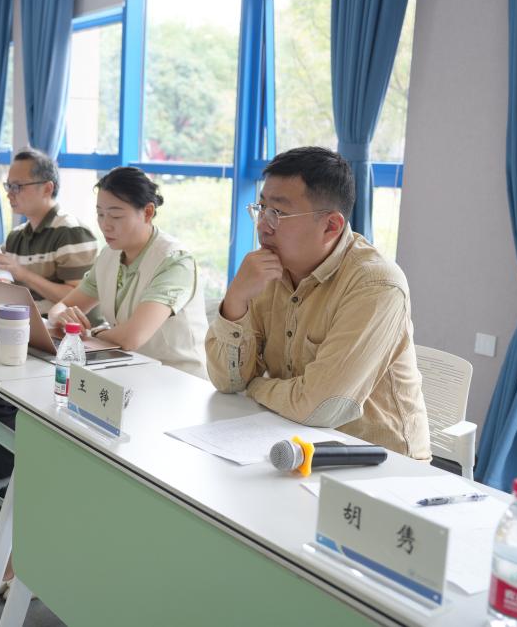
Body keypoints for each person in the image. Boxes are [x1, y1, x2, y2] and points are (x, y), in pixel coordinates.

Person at [205, 146, 430, 460]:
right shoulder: (266, 270)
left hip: (379, 463)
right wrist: (235, 300)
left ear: (331, 226)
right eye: (261, 208)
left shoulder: (376, 285)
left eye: (278, 213)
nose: (262, 225)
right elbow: (227, 382)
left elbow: (320, 407)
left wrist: (254, 386)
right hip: (291, 442)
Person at [48, 167, 209, 379]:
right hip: (130, 371)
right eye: (100, 214)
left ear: (148, 212)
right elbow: (61, 307)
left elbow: (132, 337)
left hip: (178, 379)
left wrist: (92, 333)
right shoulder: (109, 255)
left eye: (116, 216)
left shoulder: (174, 261)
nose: (105, 225)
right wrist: (61, 316)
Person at [0, 148, 98, 315]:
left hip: (65, 330)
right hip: (26, 325)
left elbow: (79, 299)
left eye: (17, 186)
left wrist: (24, 275)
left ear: (47, 188)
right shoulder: (16, 236)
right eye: (8, 186)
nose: (9, 194)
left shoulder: (72, 232)